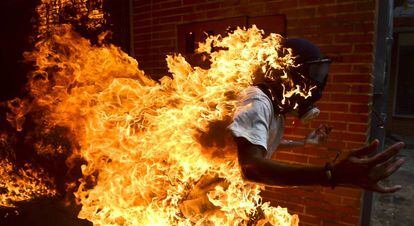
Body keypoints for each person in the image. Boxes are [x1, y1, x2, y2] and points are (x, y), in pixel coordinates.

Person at [229, 38, 406, 193]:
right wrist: (331, 175)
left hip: (234, 194)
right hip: (213, 194)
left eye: (321, 74)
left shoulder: (277, 108)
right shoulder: (257, 102)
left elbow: (260, 142)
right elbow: (251, 167)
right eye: (314, 74)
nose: (318, 84)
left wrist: (303, 143)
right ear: (285, 73)